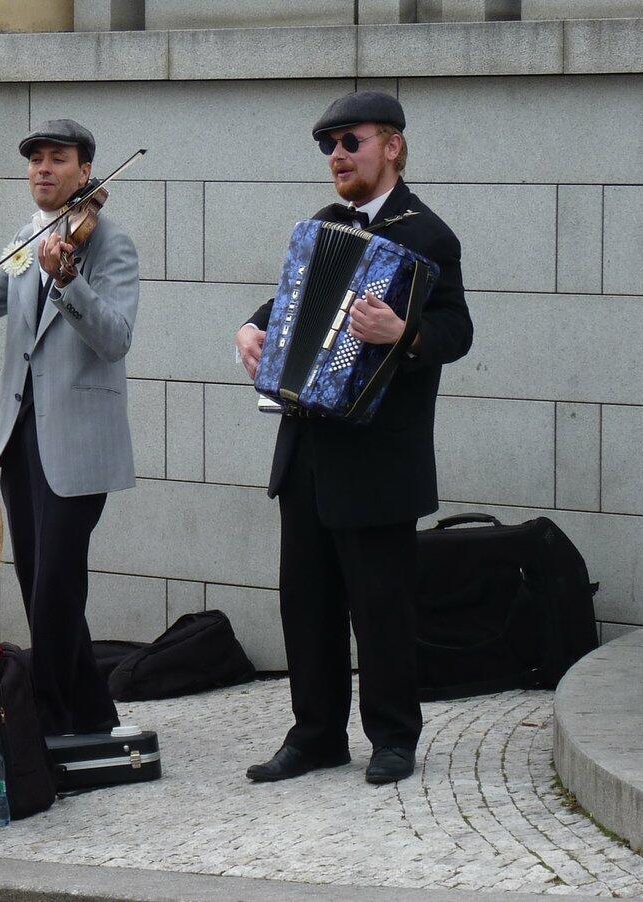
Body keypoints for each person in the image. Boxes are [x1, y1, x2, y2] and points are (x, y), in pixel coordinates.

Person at [235, 92, 473, 785]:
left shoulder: (428, 234)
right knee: (306, 603)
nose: (336, 156)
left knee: (381, 607)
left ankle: (393, 737)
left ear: (391, 147)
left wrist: (405, 334)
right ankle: (315, 735)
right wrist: (250, 328)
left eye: (350, 141)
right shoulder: (323, 226)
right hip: (308, 450)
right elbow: (288, 302)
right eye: (327, 146)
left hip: (378, 458)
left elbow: (458, 330)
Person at [0, 119, 140, 735]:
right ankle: (92, 712)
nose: (44, 169)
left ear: (85, 170)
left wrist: (69, 281)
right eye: (35, 160)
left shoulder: (110, 245)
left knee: (56, 582)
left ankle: (46, 716)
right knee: (36, 577)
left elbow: (115, 338)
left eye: (58, 158)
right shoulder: (29, 237)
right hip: (20, 436)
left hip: (77, 439)